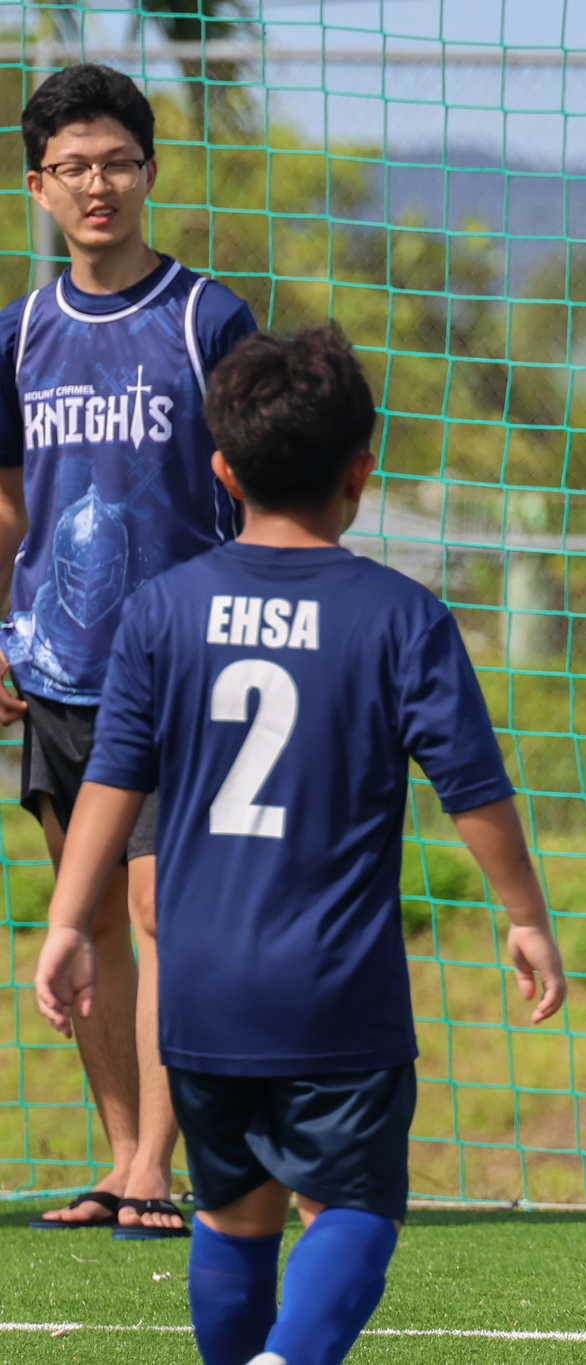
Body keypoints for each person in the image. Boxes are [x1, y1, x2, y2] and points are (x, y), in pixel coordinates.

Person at [31, 326, 568, 1365]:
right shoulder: (401, 618)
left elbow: (111, 779)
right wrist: (525, 917)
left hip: (198, 989)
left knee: (236, 1215)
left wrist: (67, 922)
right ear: (362, 470)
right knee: (357, 1206)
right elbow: (475, 792)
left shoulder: (161, 611)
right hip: (336, 993)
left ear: (221, 469)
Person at [9, 62, 258, 1238]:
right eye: (72, 167)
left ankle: (161, 1163)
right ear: (38, 185)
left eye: (116, 161)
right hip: (59, 673)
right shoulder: (17, 337)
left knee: (164, 919)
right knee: (89, 922)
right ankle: (117, 1156)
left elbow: (258, 490)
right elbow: (11, 505)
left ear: (149, 171)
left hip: (185, 674)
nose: (96, 184)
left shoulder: (208, 318)